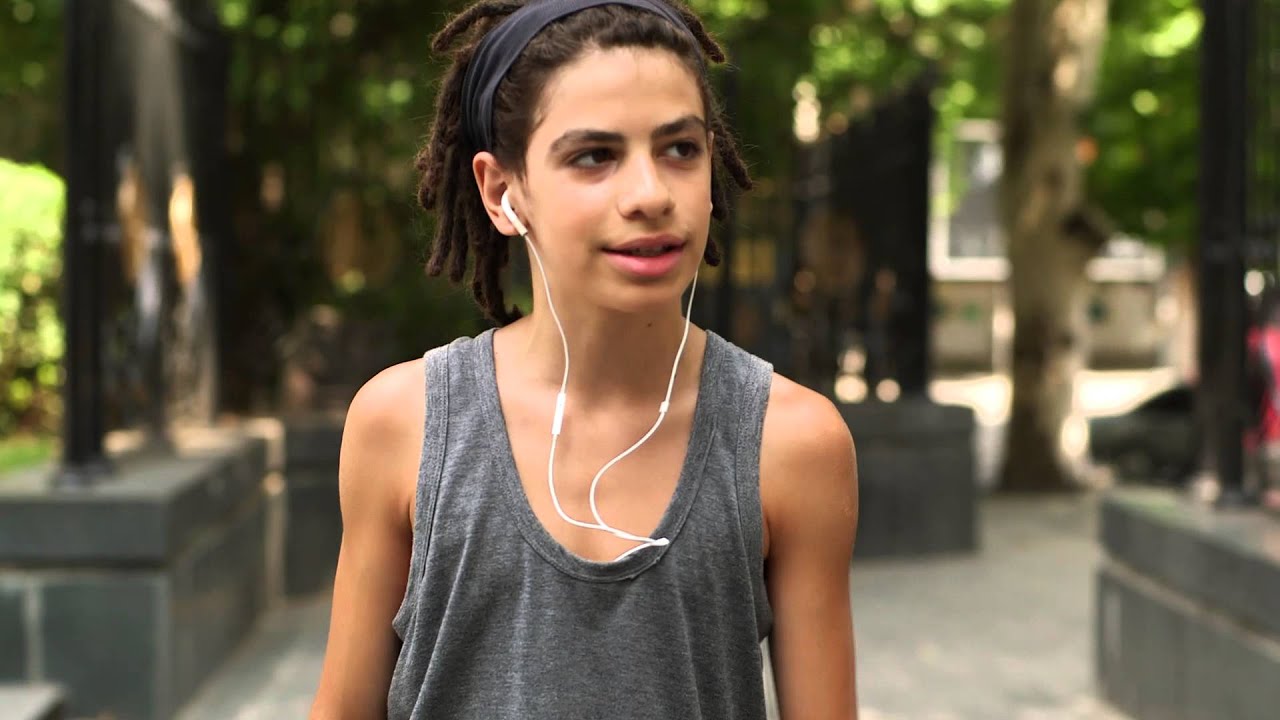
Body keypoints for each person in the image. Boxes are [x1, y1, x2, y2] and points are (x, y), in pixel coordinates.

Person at [308, 2, 860, 718]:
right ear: (503, 192)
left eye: (680, 149)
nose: (651, 195)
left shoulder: (791, 442)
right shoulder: (405, 423)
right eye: (594, 156)